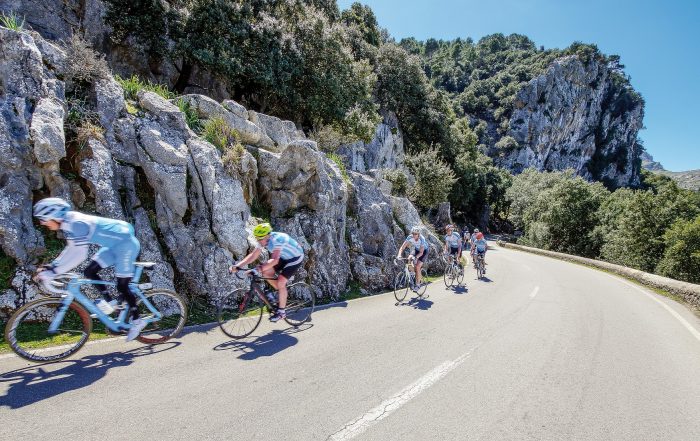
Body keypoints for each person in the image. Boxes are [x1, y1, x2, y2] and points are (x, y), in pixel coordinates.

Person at [33, 197, 146, 341]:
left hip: (126, 246)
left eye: (43, 219)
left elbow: (79, 255)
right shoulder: (68, 223)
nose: (42, 223)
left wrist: (55, 272)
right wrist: (52, 266)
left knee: (122, 285)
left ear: (54, 215)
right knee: (89, 272)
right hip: (113, 246)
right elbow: (71, 249)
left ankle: (138, 321)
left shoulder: (76, 223)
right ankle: (112, 303)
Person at [229, 223, 304, 322]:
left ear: (268, 235)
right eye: (257, 239)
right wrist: (238, 266)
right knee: (266, 272)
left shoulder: (278, 239)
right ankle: (280, 293)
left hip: (295, 258)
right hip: (283, 257)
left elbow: (274, 260)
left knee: (281, 281)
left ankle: (281, 312)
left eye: (261, 239)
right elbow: (253, 255)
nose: (259, 241)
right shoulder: (263, 239)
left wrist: (258, 269)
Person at [396, 226, 428, 292]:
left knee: (417, 266)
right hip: (416, 249)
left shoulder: (422, 239)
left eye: (415, 234)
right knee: (409, 258)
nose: (414, 235)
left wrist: (416, 257)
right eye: (413, 233)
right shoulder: (410, 237)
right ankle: (413, 273)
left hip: (424, 251)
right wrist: (399, 255)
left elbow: (421, 252)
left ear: (418, 234)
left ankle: (418, 284)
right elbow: (402, 247)